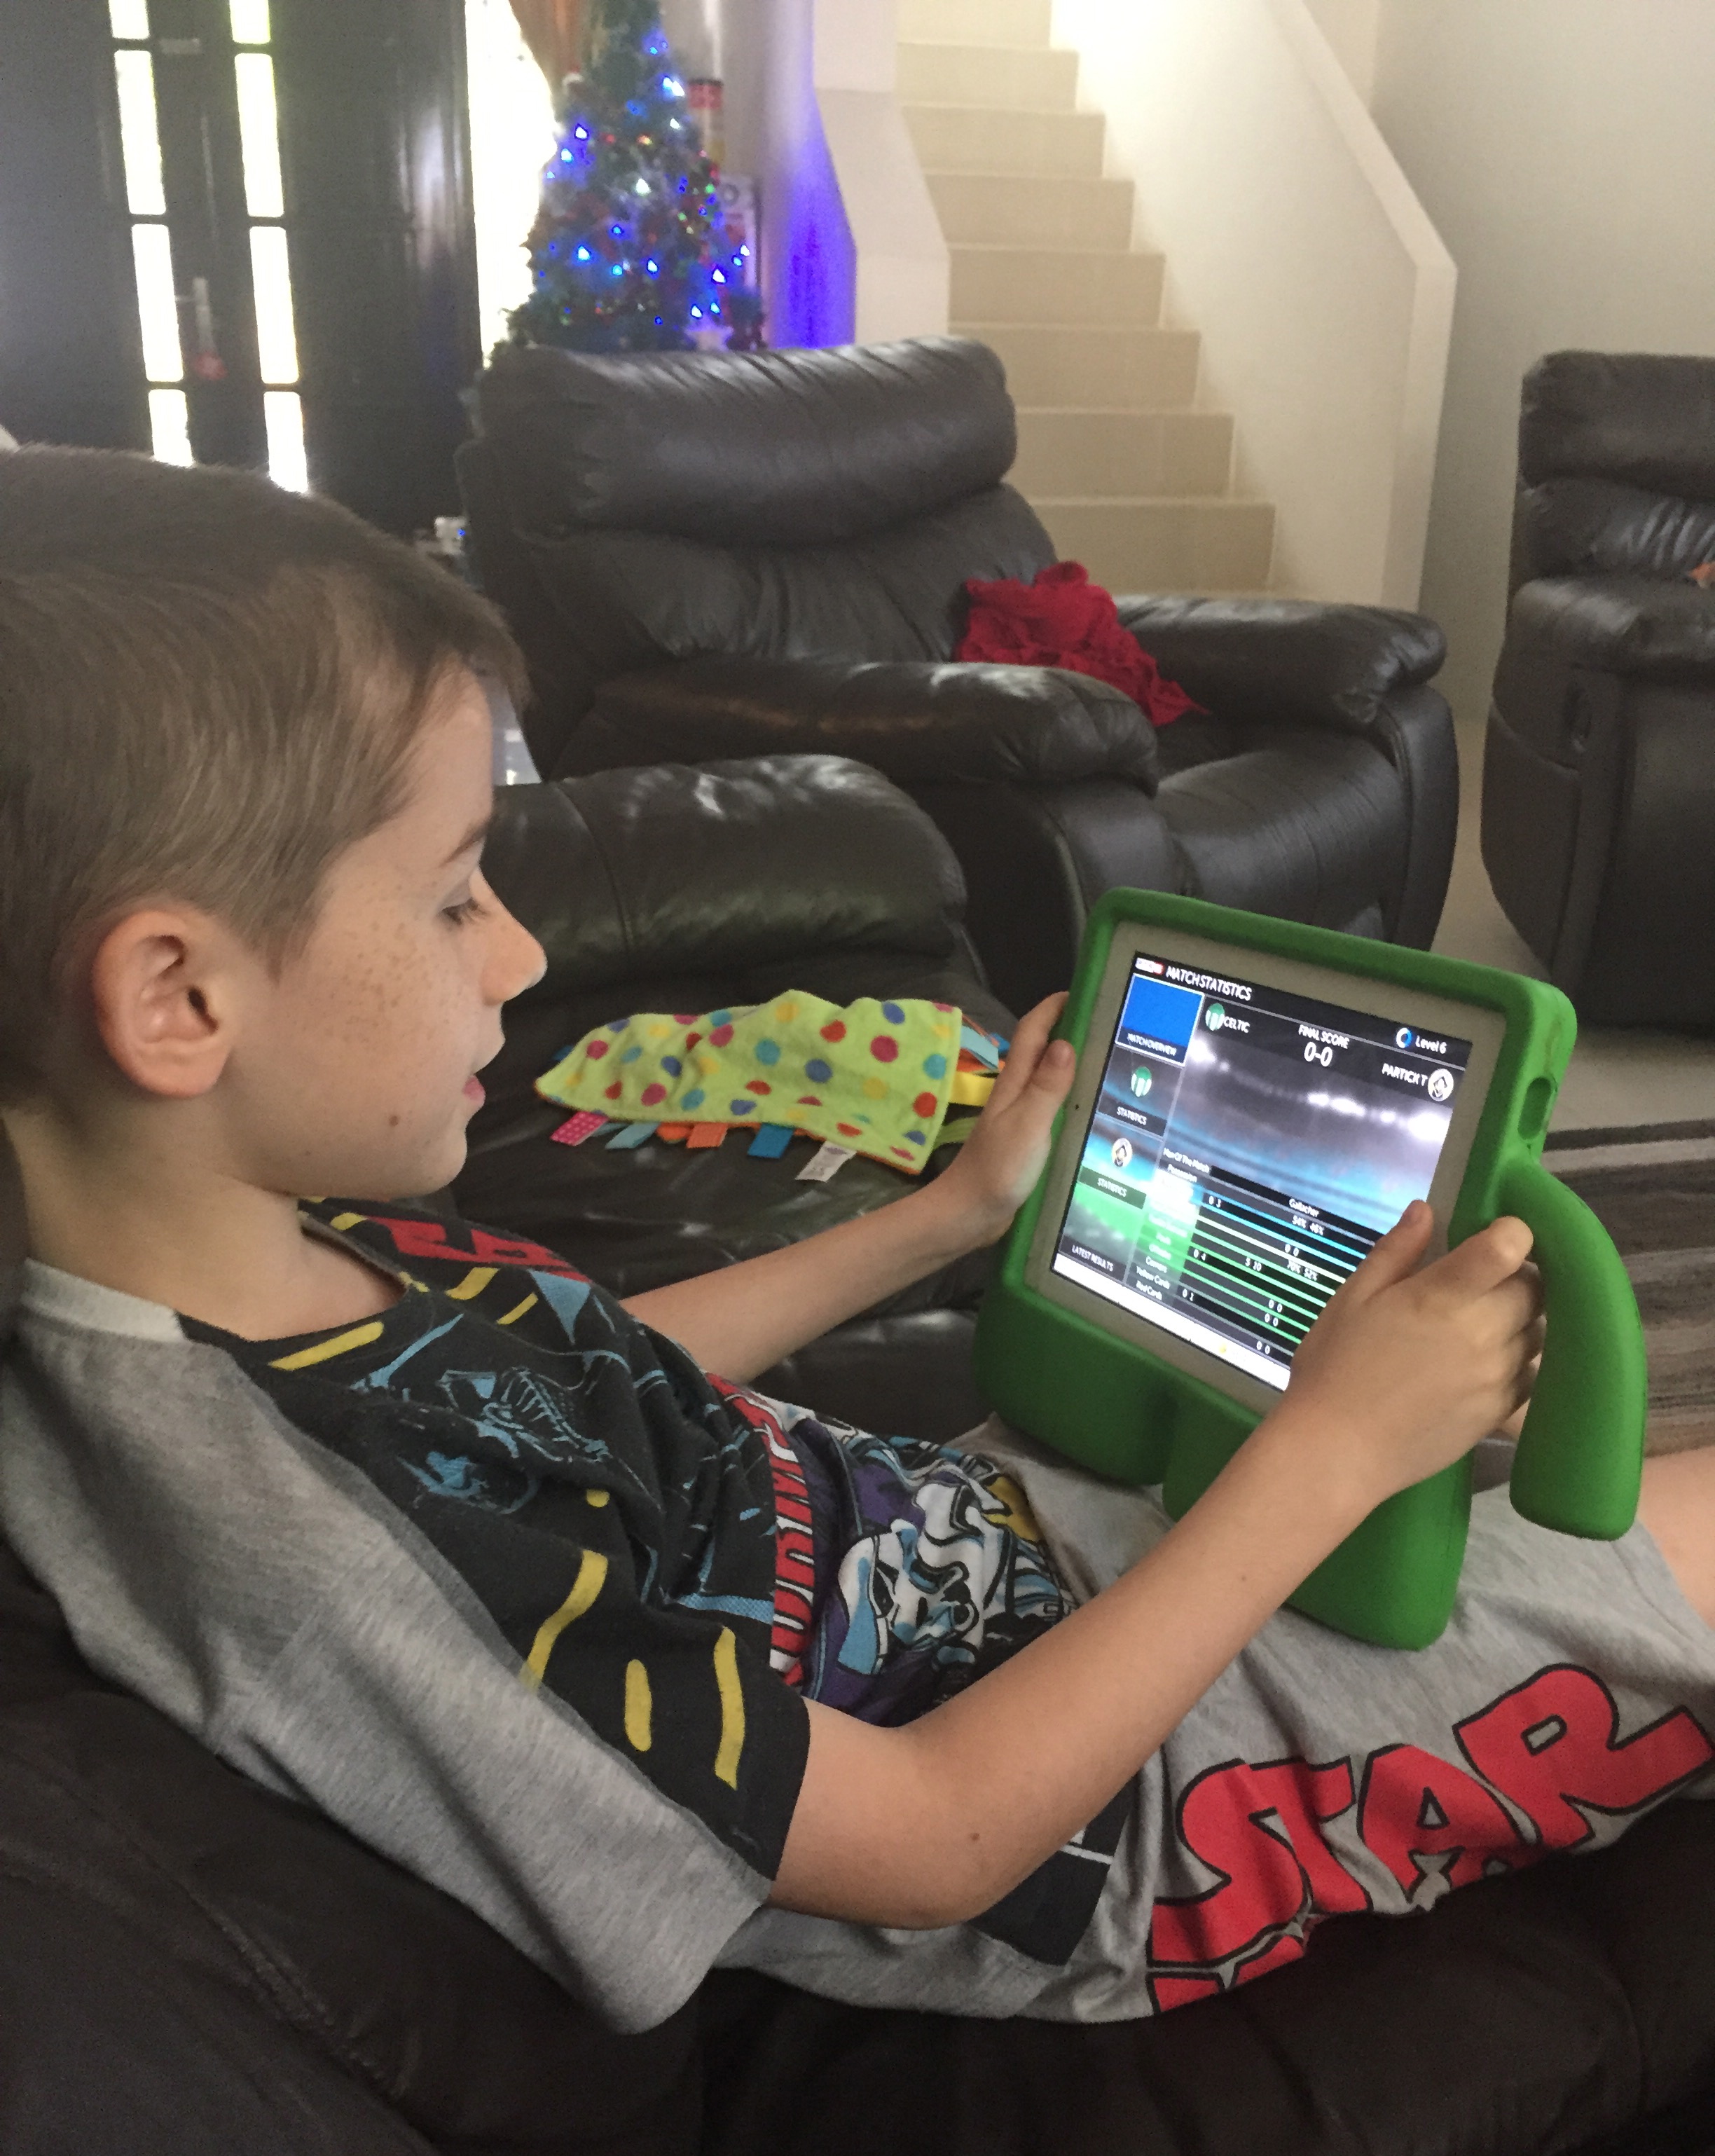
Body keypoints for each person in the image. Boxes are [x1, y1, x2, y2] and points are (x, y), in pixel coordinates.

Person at [3, 445, 1714, 2038]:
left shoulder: (273, 1251)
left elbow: (589, 1382)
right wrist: (1331, 1454)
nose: (518, 952)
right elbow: (934, 1836)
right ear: (178, 998)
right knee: (1662, 1534)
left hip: (981, 1547)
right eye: (455, 895)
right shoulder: (302, 1552)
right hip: (1118, 1817)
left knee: (1385, 1391)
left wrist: (947, 1217)